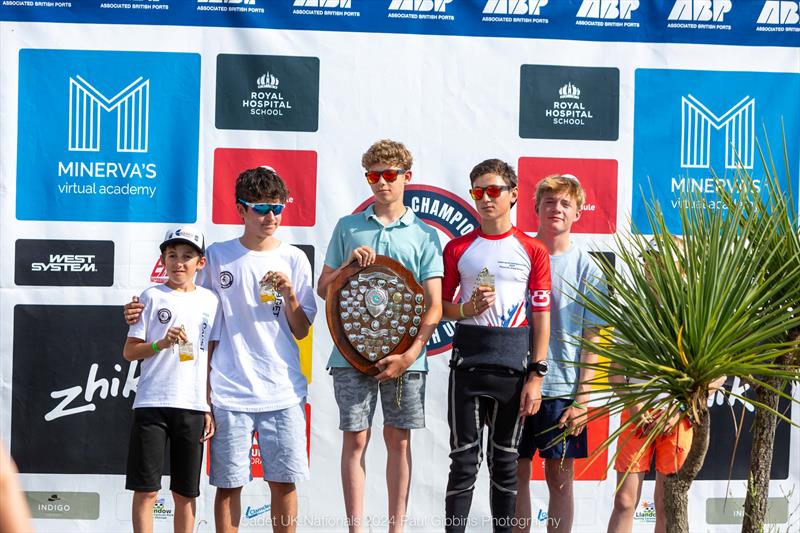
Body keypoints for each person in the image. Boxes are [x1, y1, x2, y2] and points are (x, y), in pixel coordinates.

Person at [125, 167, 317, 533]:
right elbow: (186, 302)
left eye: (277, 208)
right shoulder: (216, 256)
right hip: (229, 392)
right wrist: (136, 310)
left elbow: (301, 329)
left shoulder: (294, 258)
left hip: (283, 390)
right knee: (228, 486)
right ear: (241, 209)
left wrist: (290, 294)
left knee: (283, 483)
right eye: (261, 208)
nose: (271, 217)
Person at [317, 139, 443, 533]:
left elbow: (434, 305)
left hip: (407, 358)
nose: (382, 183)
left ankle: (396, 528)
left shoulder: (424, 234)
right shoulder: (347, 227)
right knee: (355, 440)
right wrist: (346, 267)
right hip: (350, 355)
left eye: (390, 175)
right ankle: (356, 528)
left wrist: (411, 354)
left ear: (407, 177)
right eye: (374, 176)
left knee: (399, 441)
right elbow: (324, 288)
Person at [441, 159, 551, 533]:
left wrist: (536, 375)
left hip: (514, 369)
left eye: (493, 190)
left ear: (513, 195)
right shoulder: (458, 248)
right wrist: (466, 309)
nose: (485, 198)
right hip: (469, 365)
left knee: (505, 461)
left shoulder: (533, 249)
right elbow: (438, 307)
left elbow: (541, 316)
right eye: (477, 191)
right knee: (463, 461)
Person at [605, 239, 726, 533]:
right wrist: (635, 407)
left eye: (663, 264)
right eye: (649, 263)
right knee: (624, 500)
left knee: (666, 502)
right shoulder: (634, 314)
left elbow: (718, 374)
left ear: (681, 270)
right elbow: (614, 373)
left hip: (679, 419)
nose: (653, 271)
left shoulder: (696, 313)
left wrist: (680, 407)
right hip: (637, 416)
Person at [515, 174, 604, 533]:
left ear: (578, 212)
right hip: (514, 385)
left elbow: (593, 337)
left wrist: (582, 399)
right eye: (549, 202)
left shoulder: (589, 268)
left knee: (561, 481)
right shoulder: (517, 258)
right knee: (513, 476)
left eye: (565, 203)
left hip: (563, 392)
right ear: (536, 208)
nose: (556, 209)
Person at [123, 226, 220, 533]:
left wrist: (207, 405)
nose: (179, 262)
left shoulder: (211, 302)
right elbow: (129, 352)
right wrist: (160, 344)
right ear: (163, 259)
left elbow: (209, 358)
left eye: (187, 256)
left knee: (185, 492)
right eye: (172, 255)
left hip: (192, 406)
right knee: (147, 490)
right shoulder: (151, 296)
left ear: (200, 262)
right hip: (152, 404)